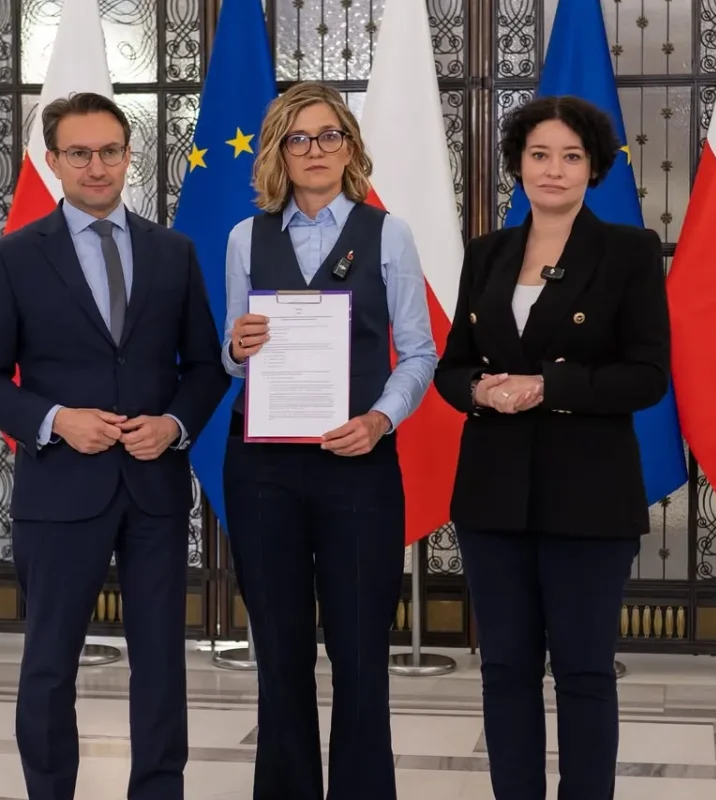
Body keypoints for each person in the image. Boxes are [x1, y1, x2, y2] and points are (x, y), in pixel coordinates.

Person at [0, 91, 228, 800]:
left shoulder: (172, 252)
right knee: (49, 664)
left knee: (161, 662)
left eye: (109, 151)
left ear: (129, 156)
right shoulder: (14, 258)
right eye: (79, 153)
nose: (97, 166)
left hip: (153, 489)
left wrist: (174, 425)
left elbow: (205, 367)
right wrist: (55, 419)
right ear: (53, 161)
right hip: (59, 490)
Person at [432, 94, 670, 800]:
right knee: (504, 668)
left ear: (593, 167)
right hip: (492, 496)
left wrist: (548, 385)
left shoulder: (628, 251)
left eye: (571, 156)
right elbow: (452, 365)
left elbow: (647, 376)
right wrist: (477, 390)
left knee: (584, 670)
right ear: (518, 164)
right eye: (539, 155)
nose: (554, 170)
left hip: (589, 497)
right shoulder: (487, 254)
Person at [219, 81, 437, 800]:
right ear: (278, 152)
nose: (315, 150)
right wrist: (236, 347)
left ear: (350, 147)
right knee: (279, 655)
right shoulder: (245, 238)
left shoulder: (389, 234)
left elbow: (419, 352)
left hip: (359, 468)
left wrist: (380, 420)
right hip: (263, 471)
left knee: (360, 654)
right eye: (298, 139)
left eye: (329, 136)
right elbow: (232, 354)